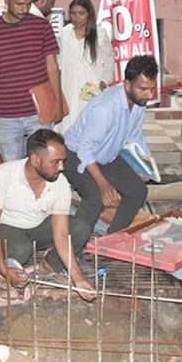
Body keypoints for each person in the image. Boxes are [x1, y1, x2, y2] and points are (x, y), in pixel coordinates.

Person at [0, 129, 95, 301]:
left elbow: (61, 234)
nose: (62, 167)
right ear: (36, 160)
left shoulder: (60, 183)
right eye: (56, 162)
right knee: (22, 249)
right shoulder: (4, 174)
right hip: (7, 228)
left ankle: (47, 266)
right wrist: (2, 268)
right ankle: (5, 263)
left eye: (63, 161)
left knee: (80, 229)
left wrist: (78, 279)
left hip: (38, 227)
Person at [63, 55, 157, 235]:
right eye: (143, 89)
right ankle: (73, 247)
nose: (148, 95)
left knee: (137, 191)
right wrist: (104, 185)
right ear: (127, 84)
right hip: (76, 154)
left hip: (106, 155)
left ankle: (114, 238)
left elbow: (135, 135)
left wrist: (146, 167)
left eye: (151, 89)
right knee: (96, 198)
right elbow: (85, 148)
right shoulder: (105, 109)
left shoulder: (138, 104)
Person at [0, 0, 62, 161]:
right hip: (7, 113)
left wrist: (58, 101)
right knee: (12, 169)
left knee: (44, 164)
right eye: (19, 4)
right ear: (7, 0)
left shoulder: (41, 26)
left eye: (28, 4)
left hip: (40, 111)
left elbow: (52, 66)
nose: (24, 9)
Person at [57, 0, 115, 134]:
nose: (77, 18)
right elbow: (59, 59)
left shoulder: (99, 34)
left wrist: (104, 80)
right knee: (68, 127)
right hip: (68, 88)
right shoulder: (65, 33)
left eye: (81, 14)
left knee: (90, 128)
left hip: (90, 89)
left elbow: (109, 61)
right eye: (73, 13)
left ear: (89, 14)